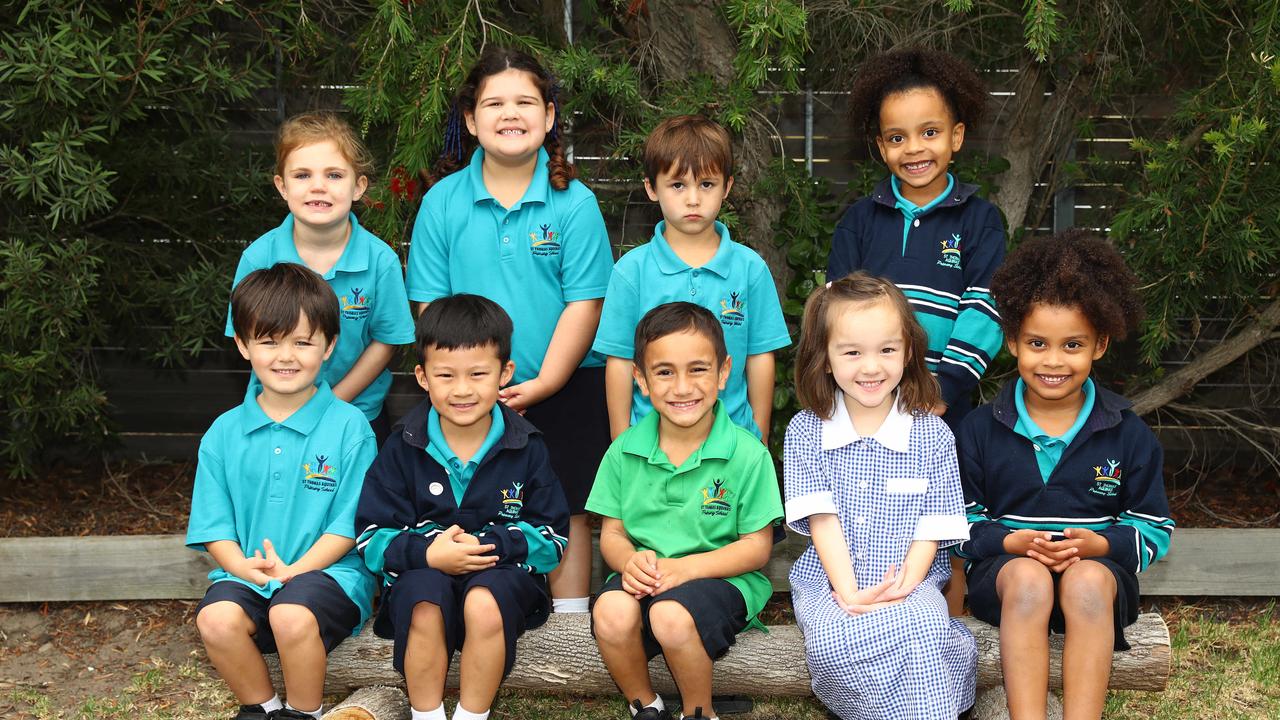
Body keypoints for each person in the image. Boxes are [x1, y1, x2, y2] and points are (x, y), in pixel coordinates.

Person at [405, 46, 613, 613]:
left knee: (566, 501)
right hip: (467, 390)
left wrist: (545, 381)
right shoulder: (442, 203)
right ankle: (475, 604)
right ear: (471, 120)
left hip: (563, 383)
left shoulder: (575, 202)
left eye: (525, 101)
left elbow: (585, 301)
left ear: (548, 117)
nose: (510, 113)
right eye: (493, 103)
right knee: (474, 497)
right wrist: (467, 380)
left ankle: (570, 622)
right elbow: (429, 303)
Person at [955, 231, 1174, 720]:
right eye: (1037, 343)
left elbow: (1154, 529)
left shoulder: (1129, 433)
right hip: (1009, 580)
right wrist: (1011, 543)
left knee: (1086, 582)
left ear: (1099, 344)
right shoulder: (977, 430)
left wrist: (1099, 546)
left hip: (1100, 580)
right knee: (1031, 579)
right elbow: (955, 524)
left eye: (1072, 345)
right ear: (1012, 342)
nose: (1053, 360)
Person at [355, 294, 570, 720]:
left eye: (477, 374)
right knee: (423, 597)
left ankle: (473, 714)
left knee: (485, 601)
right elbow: (370, 537)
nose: (462, 389)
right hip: (422, 576)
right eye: (446, 375)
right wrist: (428, 553)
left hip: (502, 578)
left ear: (505, 373)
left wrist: (488, 547)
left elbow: (553, 538)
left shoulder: (526, 446)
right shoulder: (402, 446)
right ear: (422, 376)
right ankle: (427, 713)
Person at [189, 263, 378, 720]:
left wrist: (293, 571)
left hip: (329, 574)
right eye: (269, 341)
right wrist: (244, 569)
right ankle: (262, 708)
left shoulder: (351, 428)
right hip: (250, 574)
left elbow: (350, 527)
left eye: (302, 341)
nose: (285, 356)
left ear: (330, 345)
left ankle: (302, 712)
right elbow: (215, 527)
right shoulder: (223, 432)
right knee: (215, 619)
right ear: (242, 344)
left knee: (291, 614)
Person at [784, 272, 976, 720]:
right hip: (831, 581)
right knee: (833, 640)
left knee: (925, 626)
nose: (871, 367)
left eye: (887, 350)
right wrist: (849, 594)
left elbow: (934, 523)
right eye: (852, 352)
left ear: (908, 353)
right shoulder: (806, 431)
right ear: (826, 359)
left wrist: (904, 586)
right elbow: (822, 522)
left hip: (912, 578)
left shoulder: (932, 435)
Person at [589, 302, 784, 720]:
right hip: (650, 577)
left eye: (698, 369)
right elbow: (613, 534)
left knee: (671, 615)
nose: (682, 387)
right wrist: (628, 561)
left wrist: (686, 569)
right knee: (609, 610)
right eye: (664, 372)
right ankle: (647, 705)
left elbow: (757, 548)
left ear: (724, 372)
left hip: (721, 578)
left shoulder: (748, 455)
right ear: (640, 379)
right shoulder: (623, 451)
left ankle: (699, 712)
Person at [827, 47, 1004, 433]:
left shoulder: (981, 220)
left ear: (956, 136)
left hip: (945, 408)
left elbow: (984, 311)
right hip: (864, 401)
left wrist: (945, 387)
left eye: (929, 132)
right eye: (896, 137)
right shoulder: (858, 221)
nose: (914, 148)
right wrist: (860, 378)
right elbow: (835, 310)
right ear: (880, 147)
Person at [593, 115, 791, 443]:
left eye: (707, 184)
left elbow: (760, 358)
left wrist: (758, 438)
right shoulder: (631, 272)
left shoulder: (750, 268)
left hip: (732, 442)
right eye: (678, 185)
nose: (693, 199)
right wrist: (621, 443)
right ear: (651, 188)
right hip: (651, 445)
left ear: (727, 187)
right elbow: (619, 361)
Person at [226, 111, 414, 447]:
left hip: (358, 413)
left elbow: (387, 340)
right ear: (282, 186)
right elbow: (247, 338)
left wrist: (332, 404)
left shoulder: (380, 260)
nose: (318, 186)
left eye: (334, 175)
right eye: (302, 175)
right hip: (276, 415)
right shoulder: (259, 258)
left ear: (358, 186)